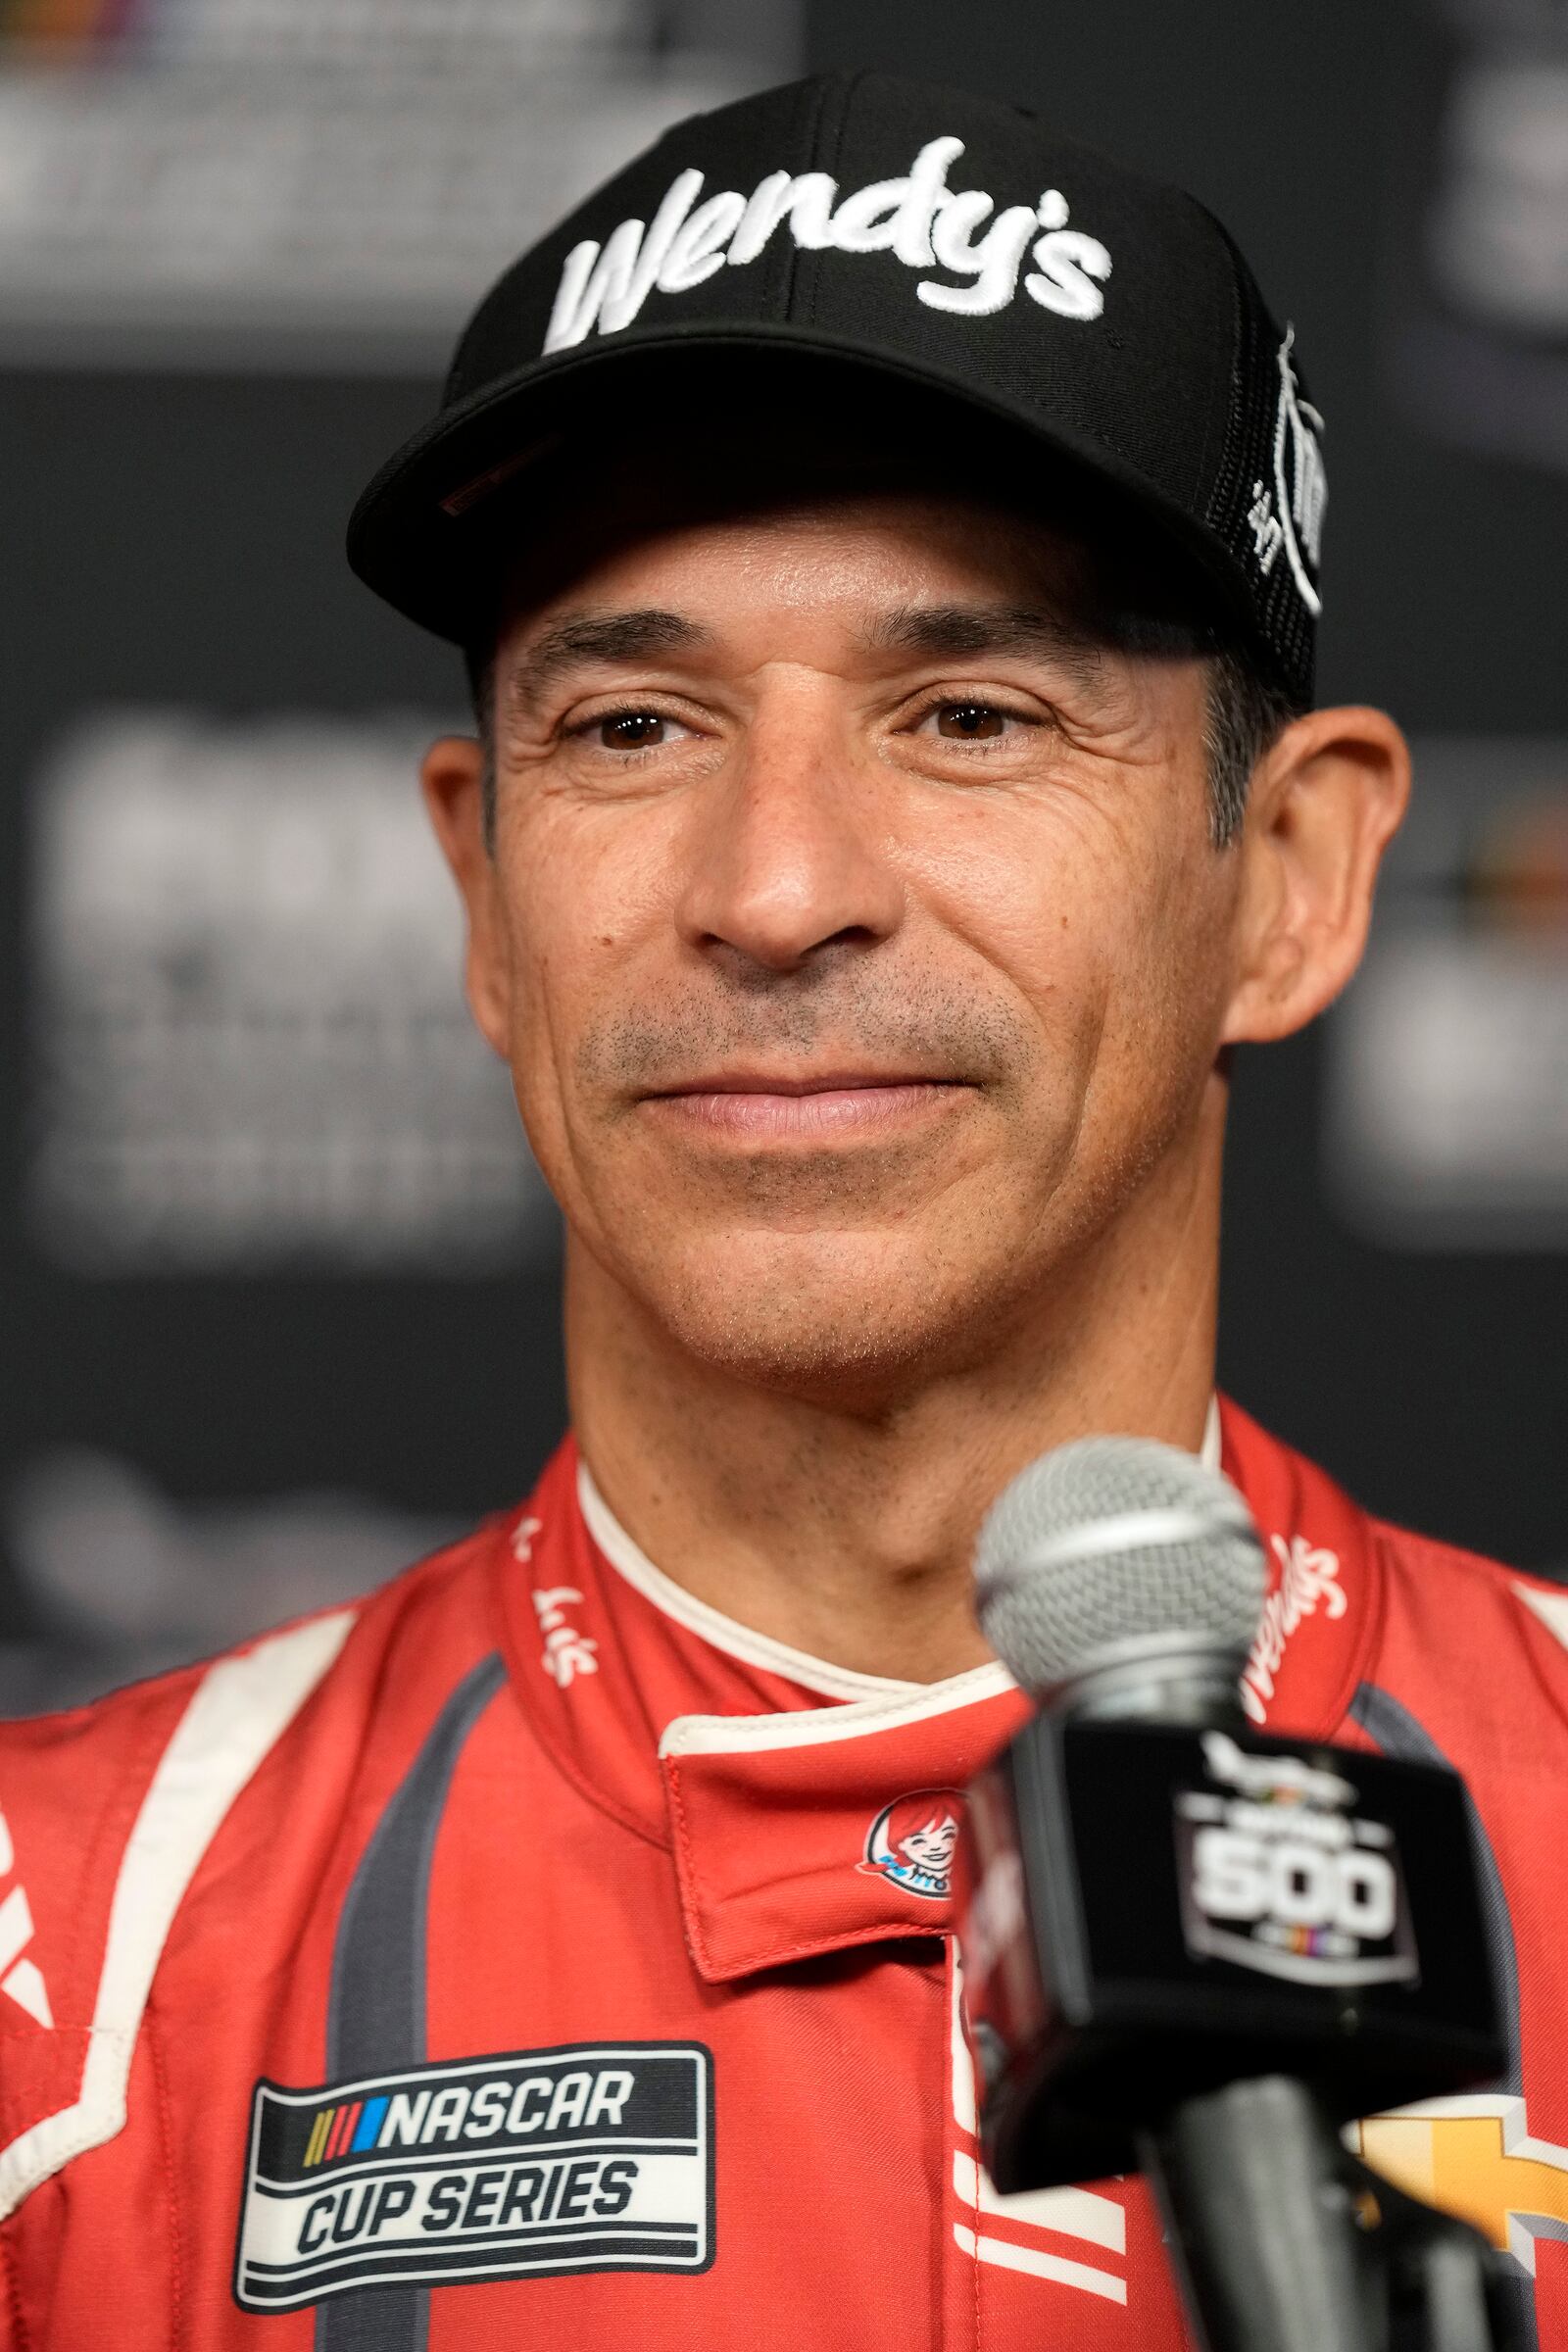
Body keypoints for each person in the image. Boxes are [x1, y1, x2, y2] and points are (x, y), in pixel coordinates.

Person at [1, 69, 1564, 2352]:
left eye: (971, 715)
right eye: (631, 729)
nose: (774, 889)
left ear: (1294, 884)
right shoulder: (64, 1955)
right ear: (479, 890)